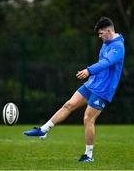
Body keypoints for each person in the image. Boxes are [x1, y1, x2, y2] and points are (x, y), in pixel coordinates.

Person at [23, 17, 125, 162]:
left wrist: (89, 70)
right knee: (69, 104)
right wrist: (91, 75)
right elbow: (102, 62)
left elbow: (107, 62)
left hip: (103, 89)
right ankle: (43, 130)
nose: (99, 36)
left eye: (101, 33)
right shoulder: (106, 43)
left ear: (109, 31)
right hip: (92, 83)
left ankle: (89, 155)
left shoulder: (118, 47)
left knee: (88, 119)